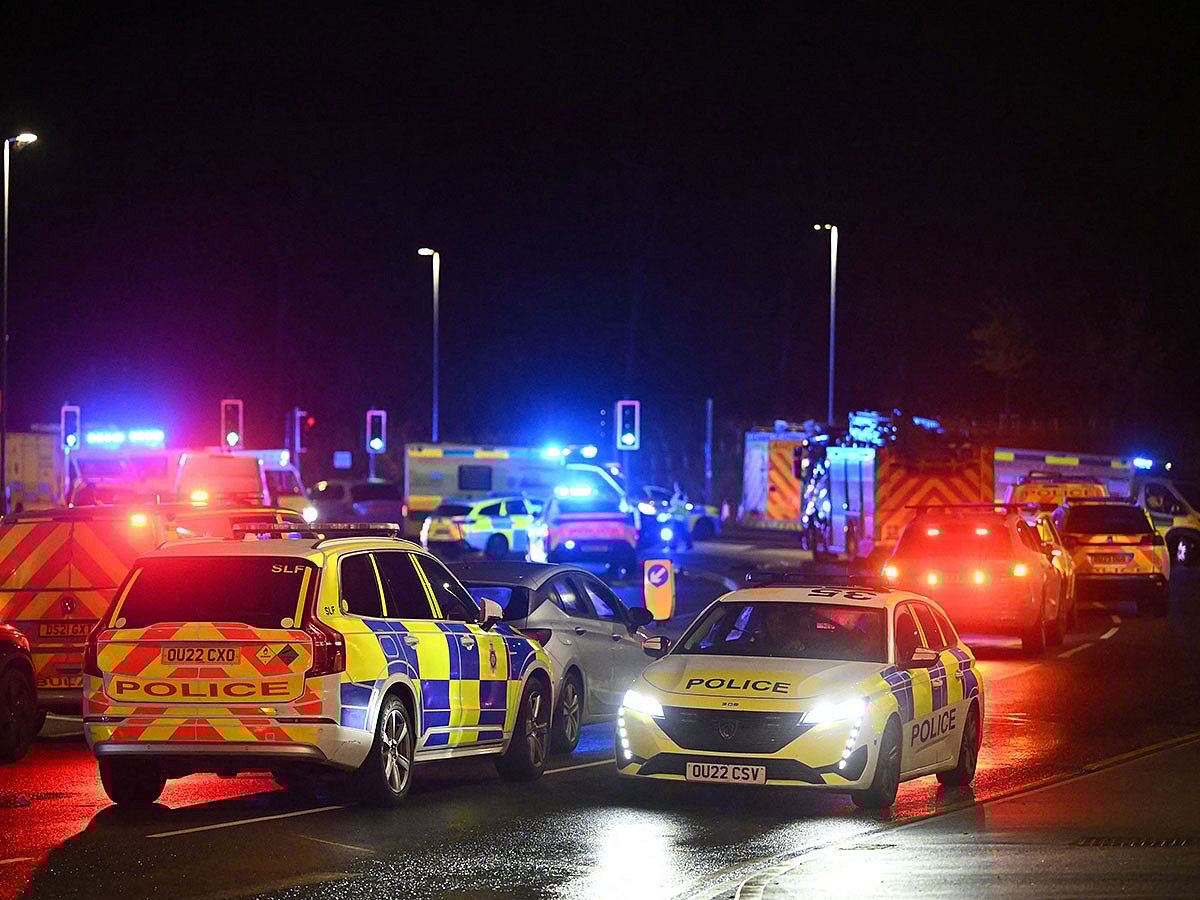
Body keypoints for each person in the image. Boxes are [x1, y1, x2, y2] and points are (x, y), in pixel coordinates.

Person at [668, 481, 693, 551]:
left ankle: (674, 545)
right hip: (678, 517)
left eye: (676, 486)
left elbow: (679, 506)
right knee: (680, 532)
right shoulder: (677, 495)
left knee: (677, 531)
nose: (675, 487)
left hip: (681, 517)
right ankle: (687, 545)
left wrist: (671, 511)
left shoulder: (681, 495)